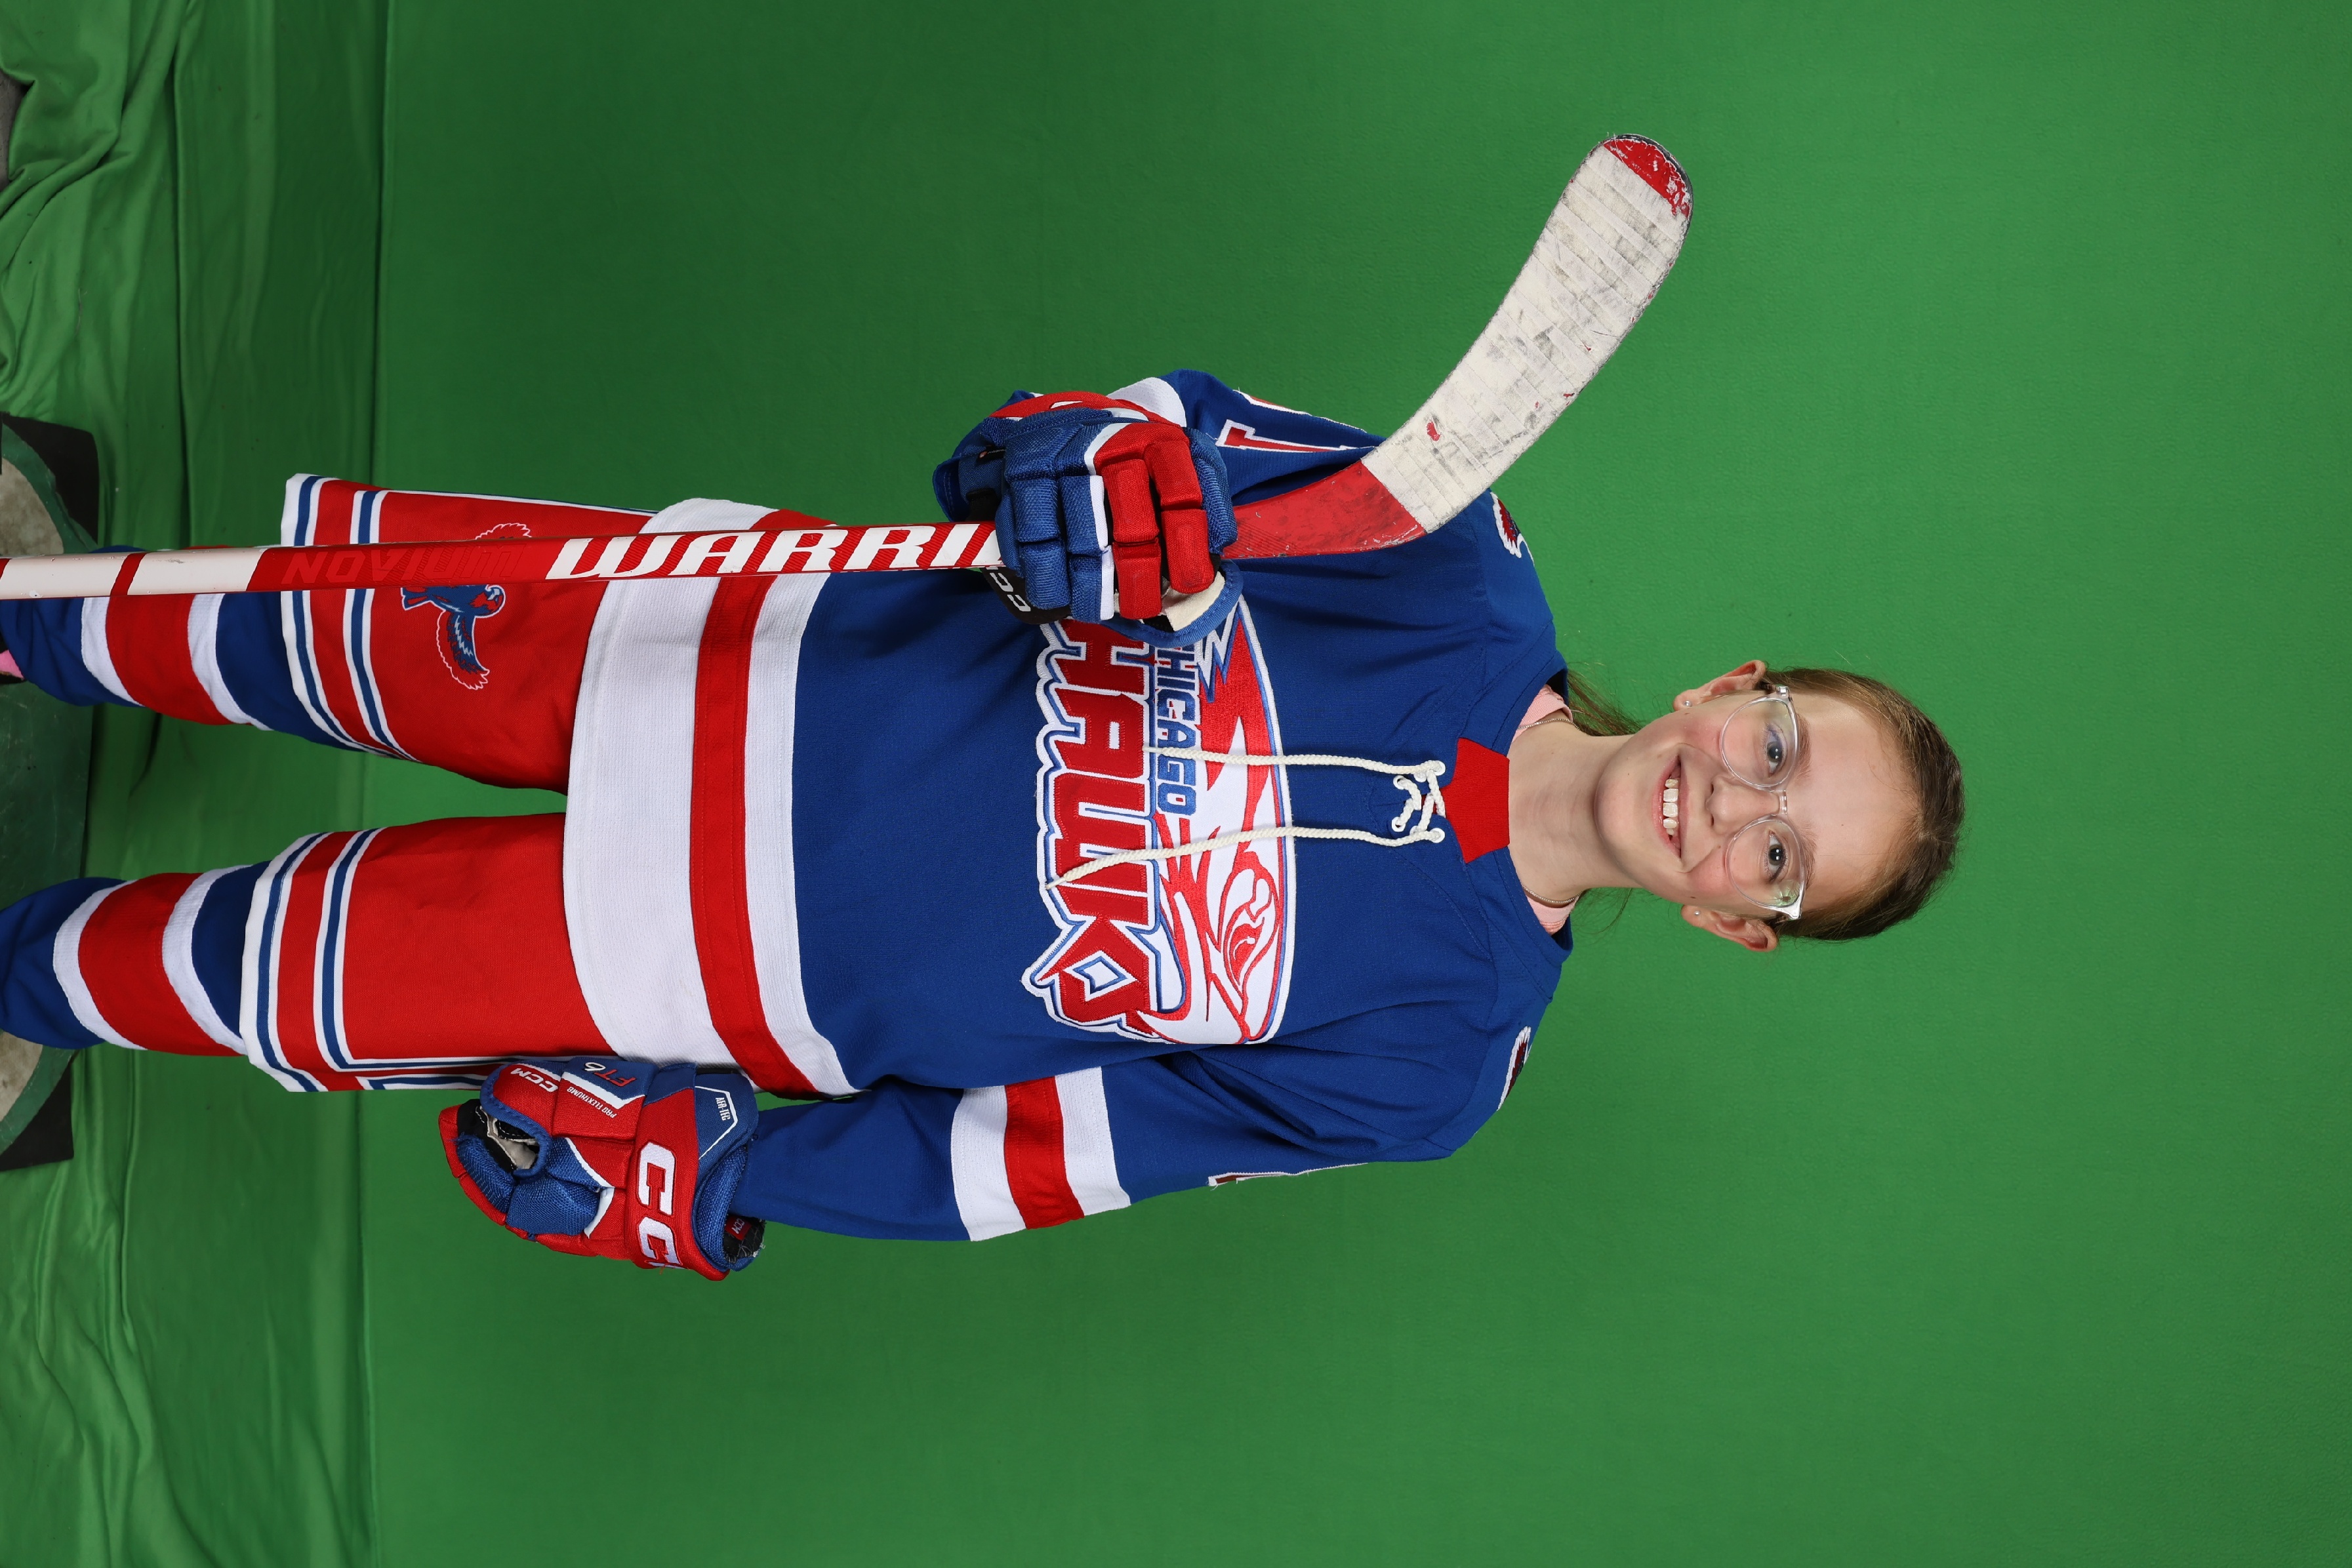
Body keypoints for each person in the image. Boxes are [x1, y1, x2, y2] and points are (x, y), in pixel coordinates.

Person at [0, 371, 1962, 1276]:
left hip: (703, 967)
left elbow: (1052, 1153)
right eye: (1780, 743)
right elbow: (1125, 433)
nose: (1737, 802)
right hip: (727, 647)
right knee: (264, 628)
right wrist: (1096, 465)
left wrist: (737, 1167)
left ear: (1736, 922)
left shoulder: (1434, 1065)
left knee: (219, 972)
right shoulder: (1447, 551)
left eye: (1781, 855)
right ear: (1732, 685)